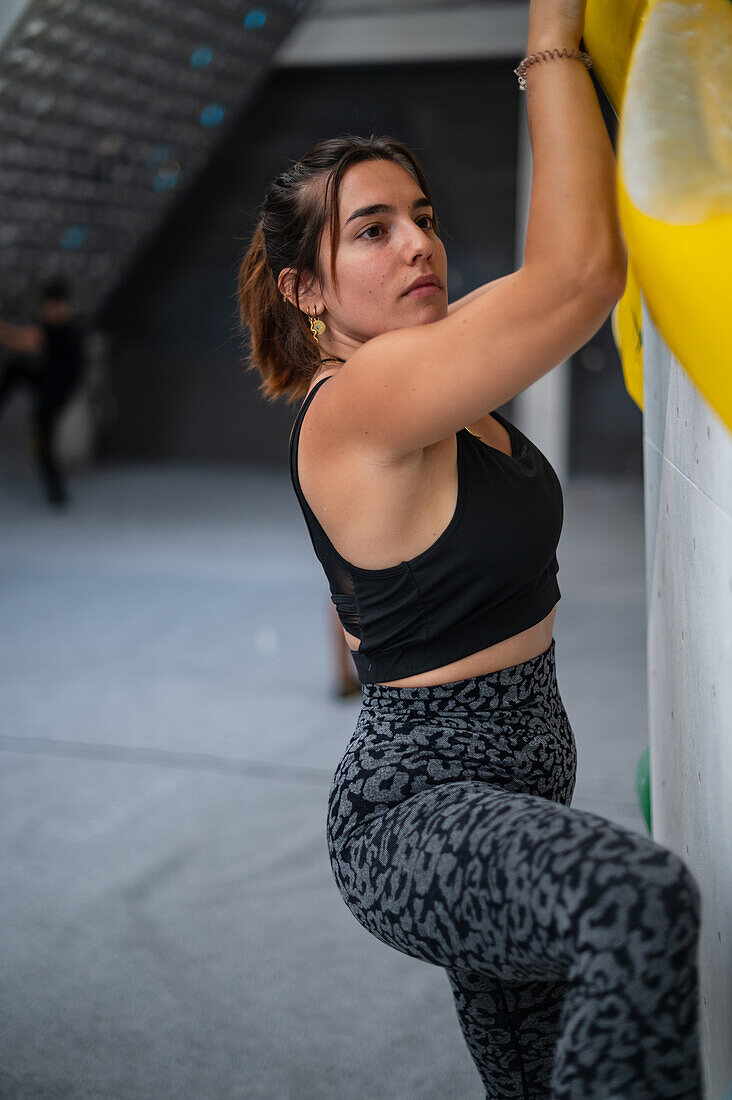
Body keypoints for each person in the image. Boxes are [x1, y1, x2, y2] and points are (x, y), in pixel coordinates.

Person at [236, 0, 704, 1094]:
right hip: (417, 811)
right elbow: (581, 273)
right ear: (306, 292)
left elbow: (576, 261)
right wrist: (552, 33)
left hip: (517, 794)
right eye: (372, 228)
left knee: (533, 1078)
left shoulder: (437, 372)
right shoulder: (365, 395)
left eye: (423, 213)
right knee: (634, 902)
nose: (419, 242)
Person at [0, 278, 85, 506]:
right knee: (15, 369)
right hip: (49, 383)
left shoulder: (65, 330)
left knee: (41, 440)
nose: (50, 309)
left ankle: (56, 490)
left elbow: (18, 340)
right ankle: (55, 490)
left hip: (55, 391)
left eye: (54, 304)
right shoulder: (56, 328)